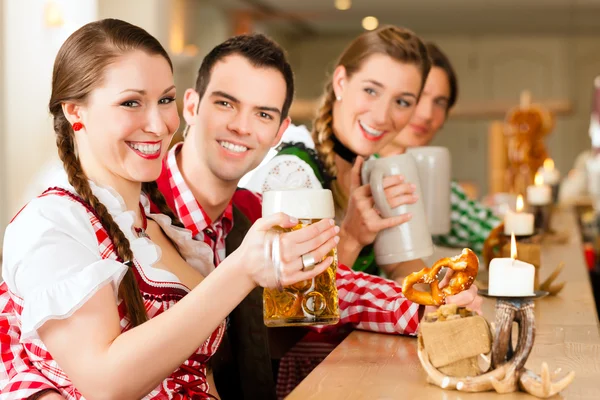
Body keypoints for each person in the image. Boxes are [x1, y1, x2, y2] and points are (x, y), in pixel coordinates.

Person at [0, 19, 338, 399]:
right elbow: (106, 382)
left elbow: (202, 368)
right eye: (131, 103)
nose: (159, 124)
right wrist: (242, 270)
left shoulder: (163, 226)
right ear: (76, 111)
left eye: (164, 100)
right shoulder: (53, 223)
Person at [245, 25, 430, 279]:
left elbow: (401, 265)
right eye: (371, 91)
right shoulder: (292, 172)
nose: (381, 116)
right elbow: (298, 301)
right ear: (341, 82)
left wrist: (441, 293)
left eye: (402, 102)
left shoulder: (373, 168)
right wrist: (351, 237)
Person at [377, 42, 501, 281]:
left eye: (440, 102)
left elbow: (491, 231)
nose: (426, 114)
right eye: (416, 97)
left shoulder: (423, 170)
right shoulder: (355, 170)